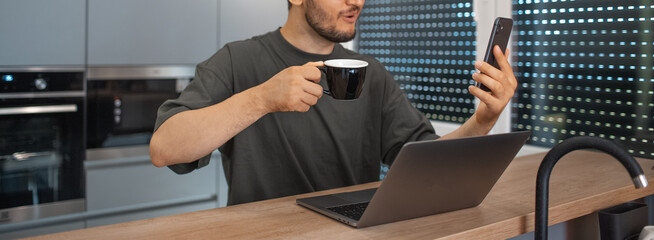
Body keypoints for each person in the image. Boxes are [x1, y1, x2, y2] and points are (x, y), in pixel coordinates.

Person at [150, 0, 517, 205]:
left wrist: (483, 119)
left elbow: (431, 164)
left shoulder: (373, 73)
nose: (356, 2)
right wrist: (261, 99)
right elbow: (164, 148)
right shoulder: (237, 60)